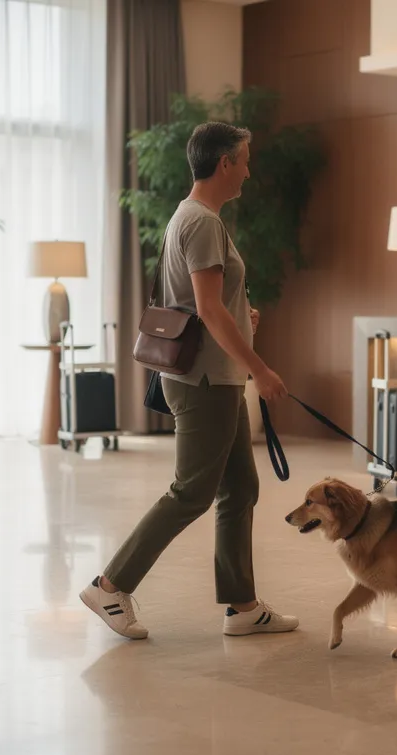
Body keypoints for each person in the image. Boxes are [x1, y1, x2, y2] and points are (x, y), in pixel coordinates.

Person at [80, 122, 297, 640]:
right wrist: (260, 367)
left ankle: (242, 606)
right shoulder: (201, 222)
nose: (248, 171)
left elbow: (211, 305)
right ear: (224, 163)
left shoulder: (194, 216)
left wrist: (243, 318)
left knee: (240, 488)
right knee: (191, 493)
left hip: (215, 378)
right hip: (206, 382)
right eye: (244, 161)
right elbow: (207, 308)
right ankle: (110, 585)